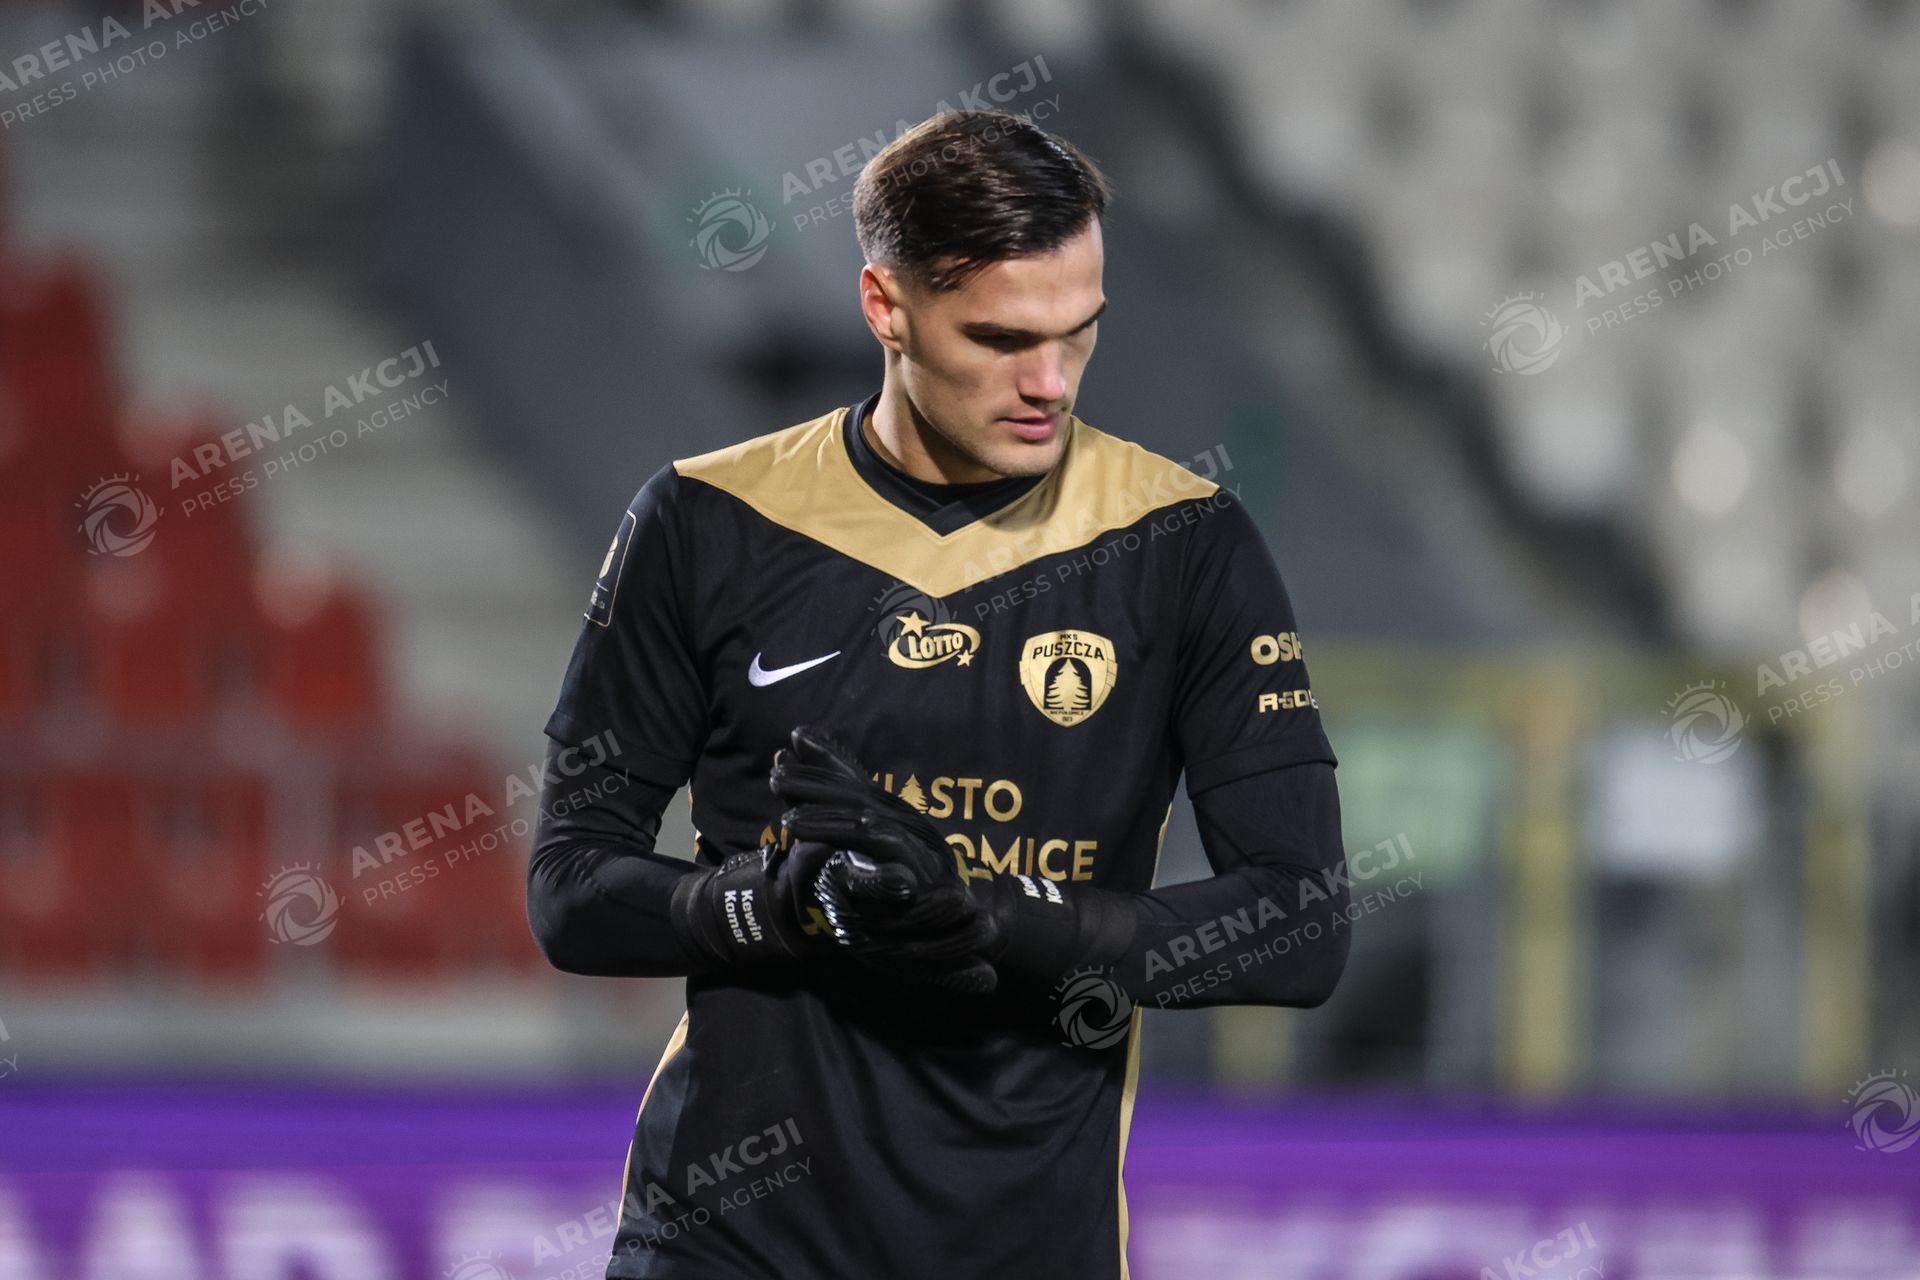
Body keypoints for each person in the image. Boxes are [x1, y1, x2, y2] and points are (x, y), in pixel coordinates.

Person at [528, 107, 1350, 1280]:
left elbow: (1301, 924)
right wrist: (778, 906)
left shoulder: (1185, 544)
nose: (1050, 382)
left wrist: (992, 914)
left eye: (1078, 333)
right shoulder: (704, 519)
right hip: (726, 1247)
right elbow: (569, 889)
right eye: (1002, 338)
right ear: (885, 306)